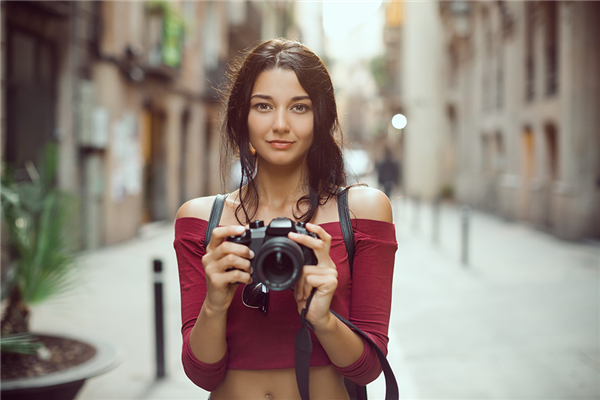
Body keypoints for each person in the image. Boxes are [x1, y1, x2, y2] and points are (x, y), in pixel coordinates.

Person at [174, 38, 397, 400]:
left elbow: (368, 368)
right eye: (263, 106)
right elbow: (202, 374)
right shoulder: (202, 220)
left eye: (299, 107)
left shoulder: (363, 211)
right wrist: (215, 303)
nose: (280, 124)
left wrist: (323, 318)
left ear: (320, 118)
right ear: (242, 118)